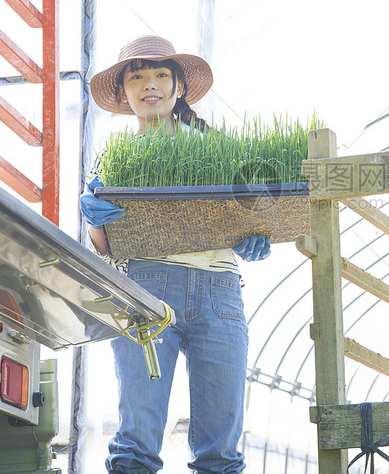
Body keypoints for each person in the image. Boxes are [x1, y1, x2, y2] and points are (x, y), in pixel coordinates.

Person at [80, 35, 271, 474]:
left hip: (219, 290)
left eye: (162, 74)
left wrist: (256, 238)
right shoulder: (113, 157)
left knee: (220, 450)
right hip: (146, 290)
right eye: (138, 76)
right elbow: (106, 244)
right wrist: (93, 218)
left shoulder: (216, 148)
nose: (151, 84)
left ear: (179, 87)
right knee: (137, 443)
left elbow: (254, 212)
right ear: (124, 93)